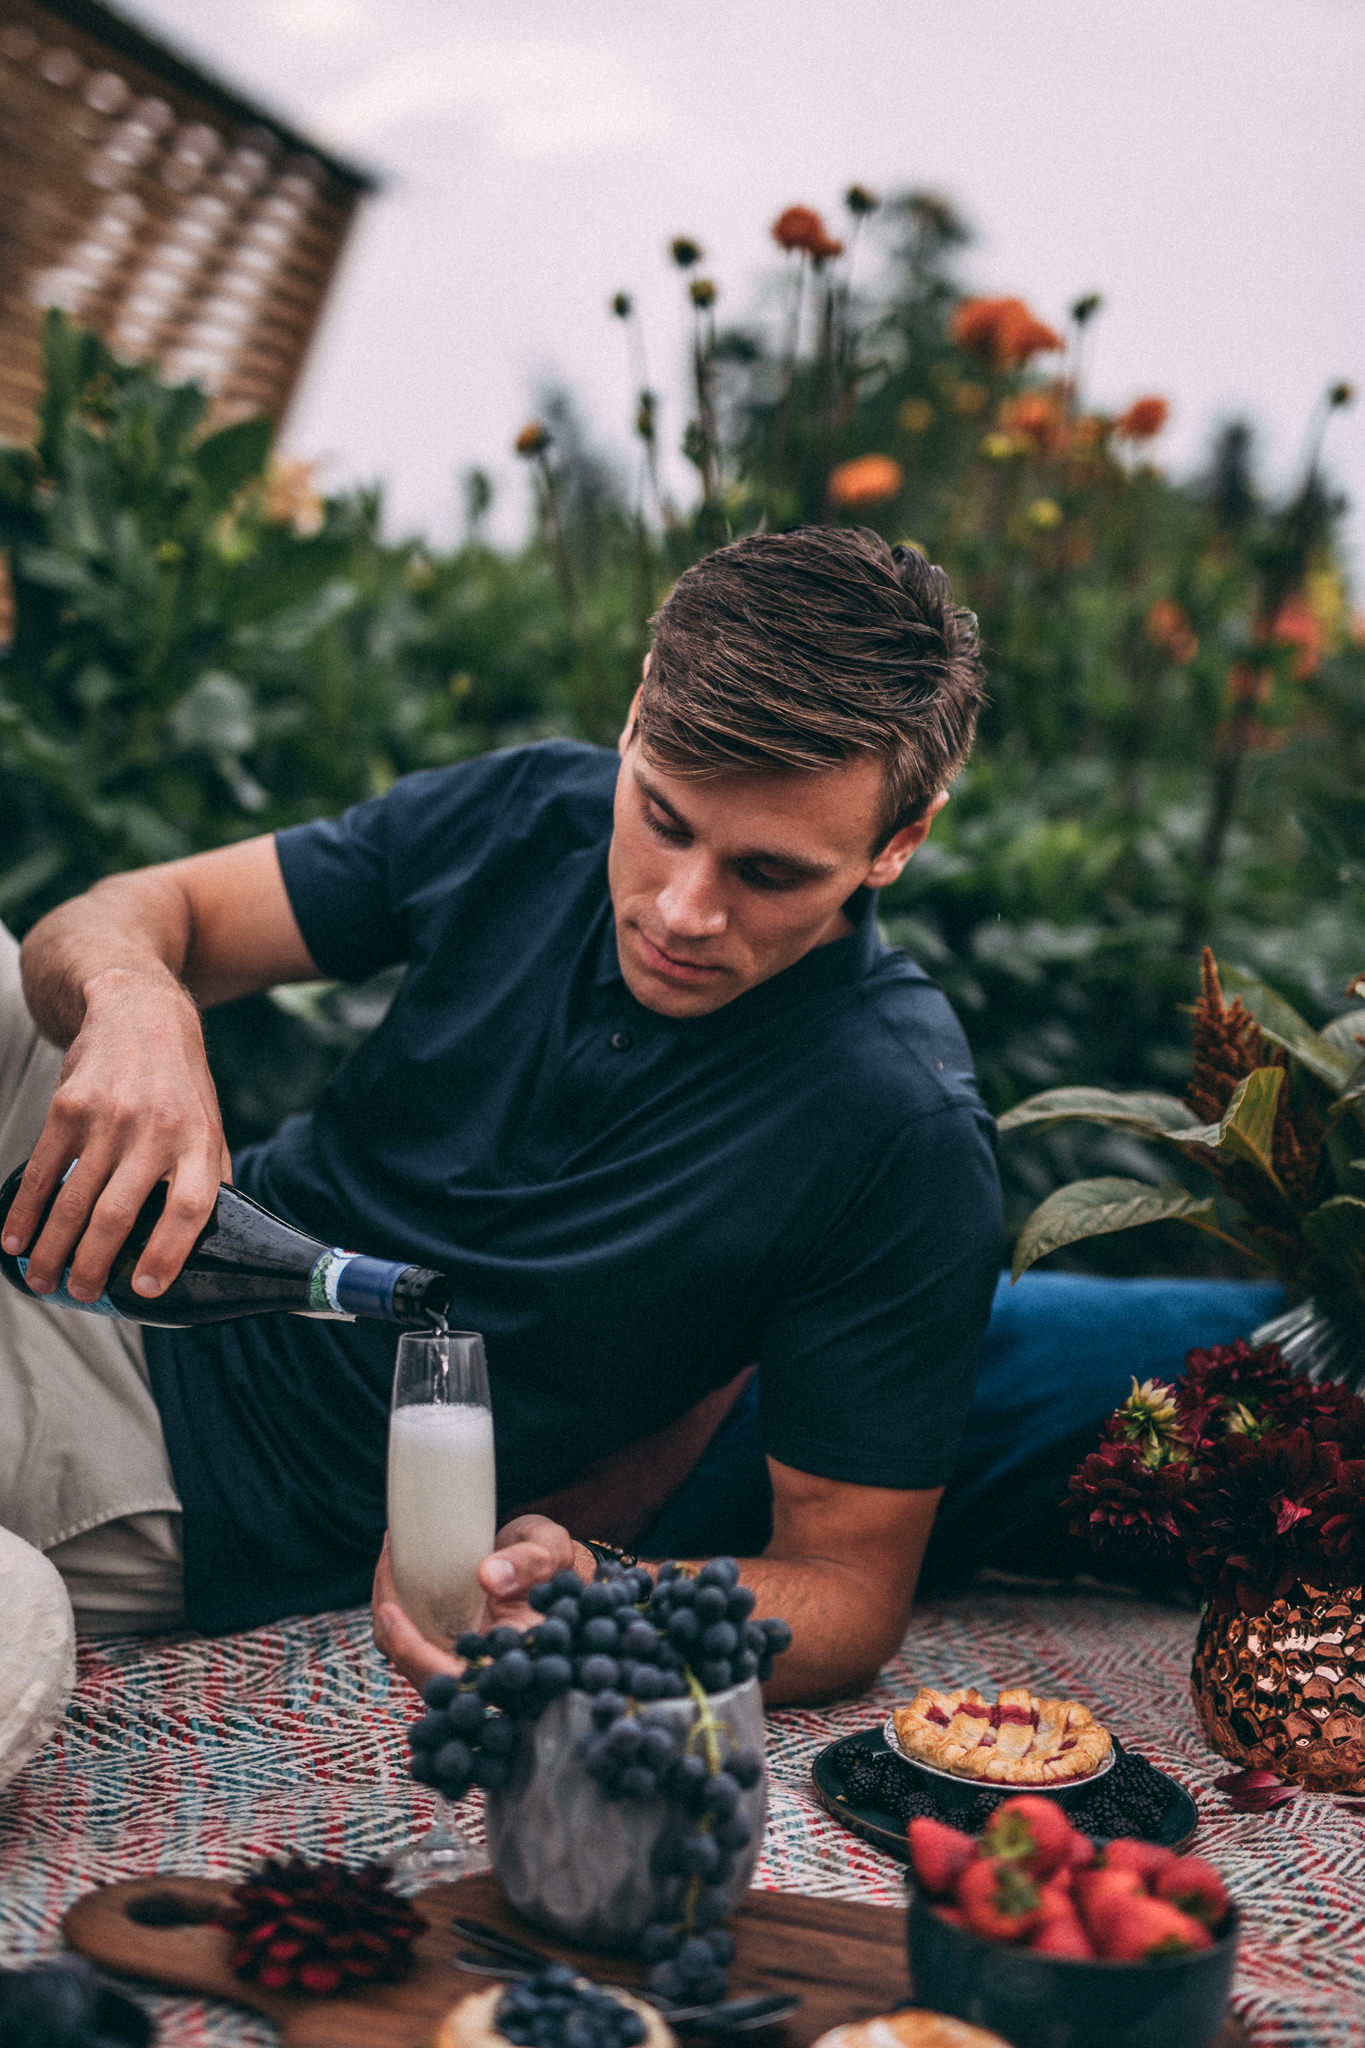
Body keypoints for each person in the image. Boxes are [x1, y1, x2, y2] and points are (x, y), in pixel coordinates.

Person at [0, 528, 1278, 1701]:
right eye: (662, 817)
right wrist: (139, 1006)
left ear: (899, 840)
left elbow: (847, 1590)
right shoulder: (531, 810)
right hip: (170, 1224)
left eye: (770, 871)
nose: (681, 908)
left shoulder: (899, 1131)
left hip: (178, 1461)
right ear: (633, 715)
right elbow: (140, 909)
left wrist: (607, 1593)